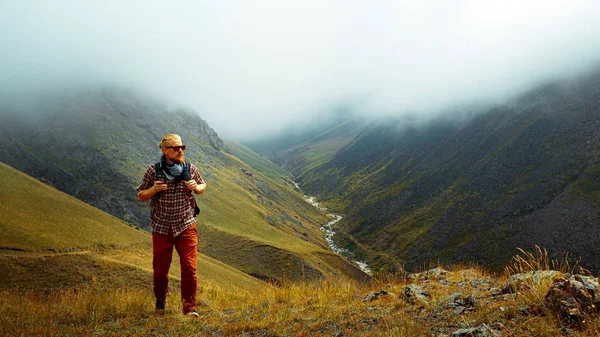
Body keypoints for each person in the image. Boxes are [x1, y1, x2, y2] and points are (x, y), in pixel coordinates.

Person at [137, 133, 206, 317]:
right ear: (165, 150)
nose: (181, 150)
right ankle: (160, 300)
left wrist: (196, 188)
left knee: (190, 268)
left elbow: (202, 186)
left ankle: (189, 307)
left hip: (186, 226)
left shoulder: (190, 169)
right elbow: (140, 195)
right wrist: (154, 189)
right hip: (161, 228)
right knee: (160, 270)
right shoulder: (153, 171)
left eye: (182, 147)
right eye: (176, 148)